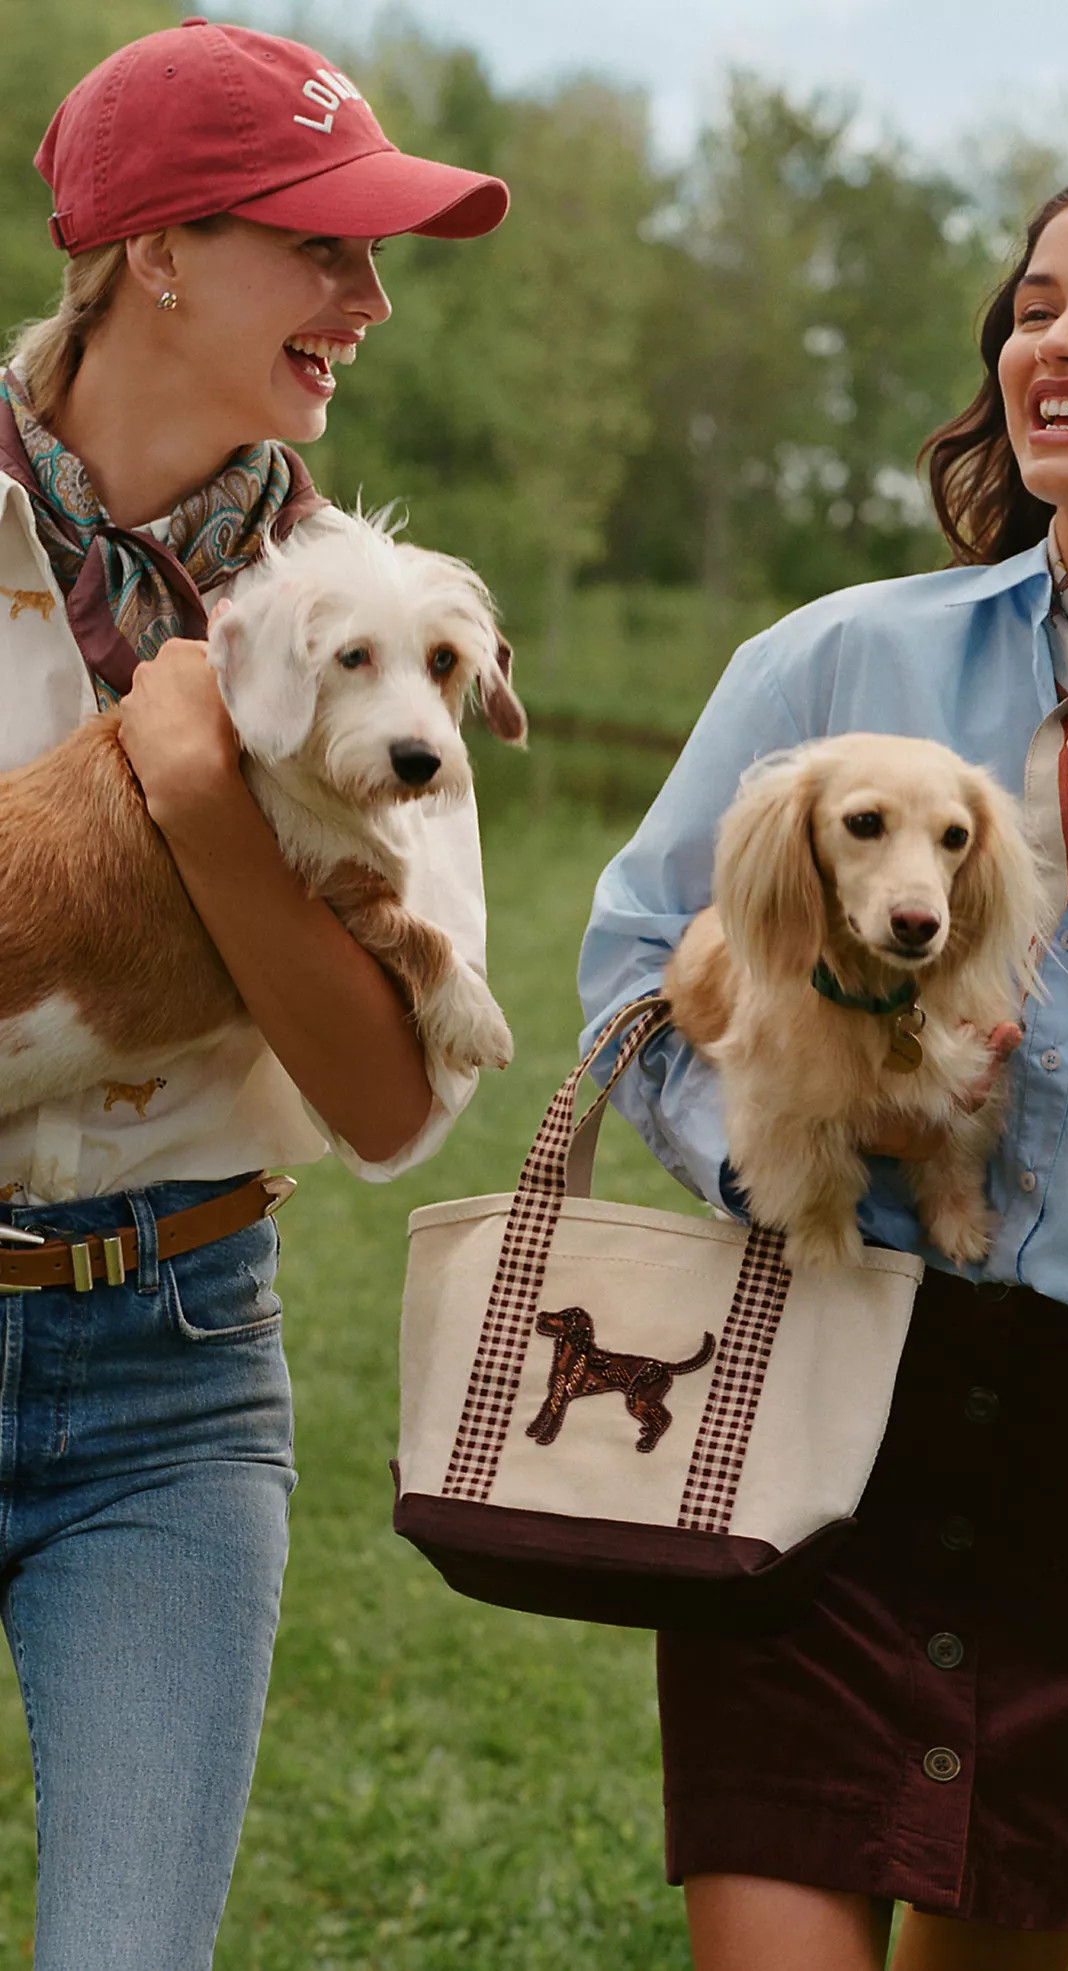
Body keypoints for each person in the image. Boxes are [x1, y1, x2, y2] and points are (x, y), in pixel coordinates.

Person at [579, 164, 1068, 1968]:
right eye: (1032, 306)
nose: (1053, 339)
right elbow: (627, 977)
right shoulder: (837, 665)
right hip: (822, 1402)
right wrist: (793, 1155)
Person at [0, 20, 509, 1969]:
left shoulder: (372, 613)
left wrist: (206, 787)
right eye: (326, 245)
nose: (370, 299)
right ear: (163, 253)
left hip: (173, 1361)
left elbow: (391, 1103)